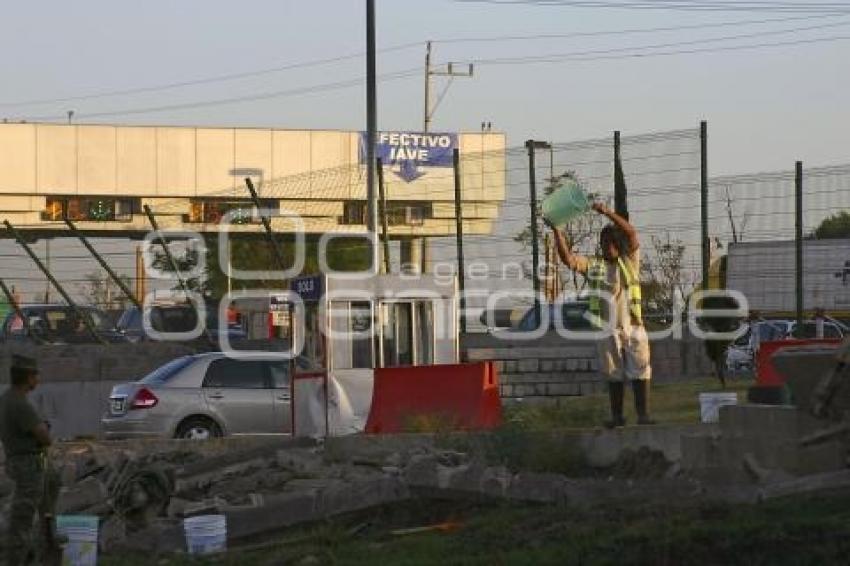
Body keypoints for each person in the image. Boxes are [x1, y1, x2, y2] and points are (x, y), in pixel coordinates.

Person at [549, 202, 653, 427]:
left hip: (633, 326)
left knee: (640, 369)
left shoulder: (630, 262)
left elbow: (632, 232)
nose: (605, 247)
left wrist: (607, 213)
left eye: (609, 243)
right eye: (602, 243)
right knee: (613, 372)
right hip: (606, 329)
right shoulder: (594, 265)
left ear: (618, 245)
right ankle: (617, 417)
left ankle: (643, 415)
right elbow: (568, 260)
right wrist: (557, 231)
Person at [0, 355, 62, 565]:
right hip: (28, 466)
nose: (38, 379)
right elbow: (43, 436)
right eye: (36, 375)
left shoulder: (8, 399)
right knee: (23, 520)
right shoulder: (19, 404)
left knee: (36, 515)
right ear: (28, 377)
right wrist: (44, 429)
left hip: (21, 462)